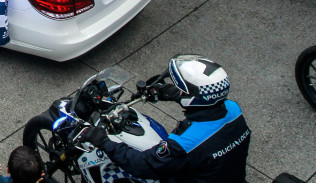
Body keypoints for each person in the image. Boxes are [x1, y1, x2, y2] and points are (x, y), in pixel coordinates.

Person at [76, 55, 250, 183]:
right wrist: (167, 93)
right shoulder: (233, 110)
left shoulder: (186, 142)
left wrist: (105, 142)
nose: (178, 90)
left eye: (180, 89)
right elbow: (201, 101)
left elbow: (143, 165)